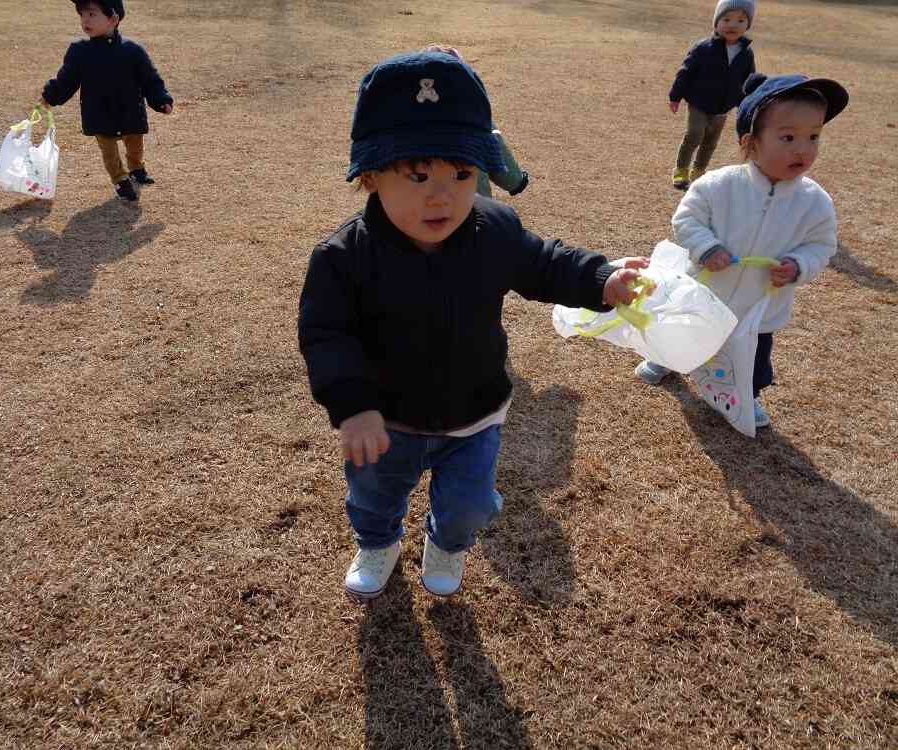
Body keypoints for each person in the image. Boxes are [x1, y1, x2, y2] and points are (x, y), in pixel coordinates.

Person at [298, 50, 648, 600]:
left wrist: (601, 280)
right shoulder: (343, 257)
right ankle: (378, 541)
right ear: (369, 177)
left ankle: (447, 544)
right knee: (373, 496)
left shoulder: (495, 229)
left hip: (476, 411)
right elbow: (326, 336)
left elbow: (546, 263)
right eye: (417, 175)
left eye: (462, 174)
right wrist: (353, 406)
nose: (442, 195)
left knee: (471, 504)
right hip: (387, 420)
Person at [636, 73, 849, 429]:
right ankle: (666, 358)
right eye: (788, 137)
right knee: (684, 332)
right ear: (750, 142)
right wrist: (707, 248)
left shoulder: (814, 202)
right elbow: (687, 219)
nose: (803, 148)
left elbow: (821, 245)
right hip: (707, 294)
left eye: (814, 137)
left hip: (760, 307)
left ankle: (746, 394)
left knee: (753, 357)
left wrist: (799, 265)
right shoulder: (718, 186)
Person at [40, 0, 173, 202]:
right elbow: (66, 80)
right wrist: (51, 96)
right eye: (82, 15)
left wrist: (161, 99)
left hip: (130, 110)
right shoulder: (80, 51)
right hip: (98, 113)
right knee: (109, 152)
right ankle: (120, 180)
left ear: (113, 19)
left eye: (92, 15)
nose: (85, 20)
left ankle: (137, 168)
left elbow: (150, 78)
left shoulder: (133, 51)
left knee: (135, 145)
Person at [668, 0, 757, 190]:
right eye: (726, 19)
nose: (733, 25)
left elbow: (749, 80)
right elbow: (685, 72)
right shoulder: (703, 48)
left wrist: (748, 102)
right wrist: (675, 96)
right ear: (716, 22)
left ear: (747, 25)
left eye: (741, 20)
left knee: (710, 141)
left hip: (723, 107)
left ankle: (699, 171)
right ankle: (681, 169)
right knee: (694, 134)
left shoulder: (746, 53)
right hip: (698, 103)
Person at [421, 44, 529, 198]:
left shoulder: (406, 121)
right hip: (473, 206)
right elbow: (499, 158)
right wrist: (516, 181)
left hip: (421, 207)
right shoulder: (477, 119)